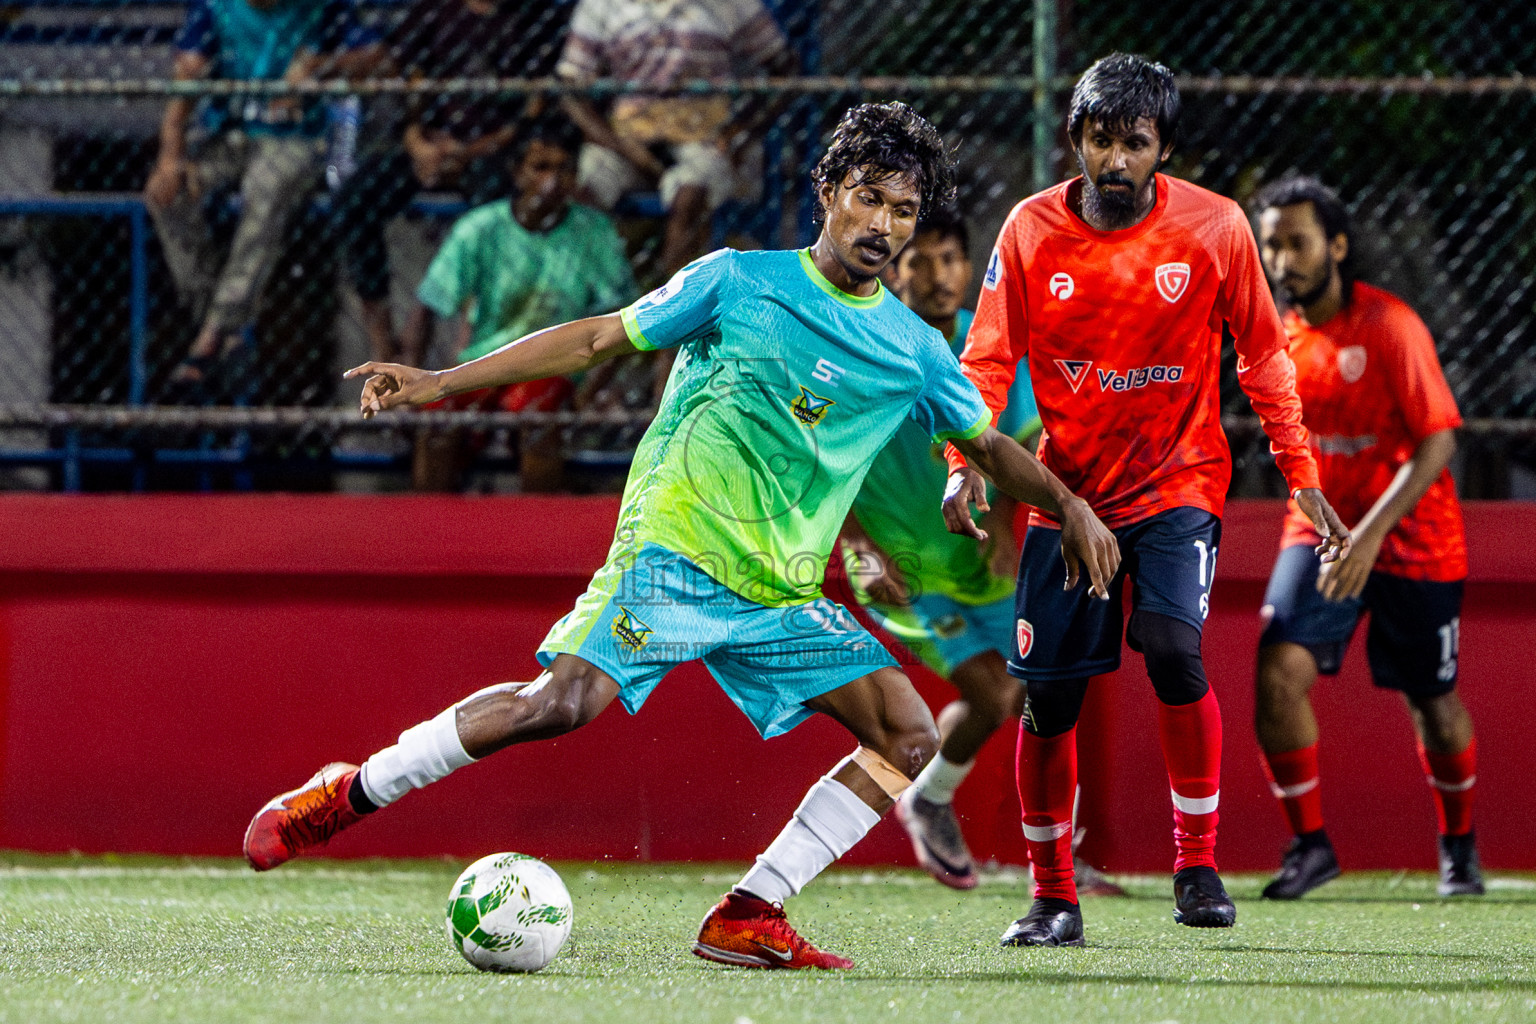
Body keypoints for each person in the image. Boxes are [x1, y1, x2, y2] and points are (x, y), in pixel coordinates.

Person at [241, 102, 1121, 971]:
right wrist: (442, 381)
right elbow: (594, 339)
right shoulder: (736, 280)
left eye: (902, 210)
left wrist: (1070, 506)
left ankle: (750, 911)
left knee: (907, 733)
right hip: (676, 552)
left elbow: (989, 444)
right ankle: (344, 794)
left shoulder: (913, 349)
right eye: (868, 198)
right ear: (827, 192)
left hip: (781, 590)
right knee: (558, 706)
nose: (883, 225)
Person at [942, 53, 1352, 947]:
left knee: (1171, 645)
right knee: (1048, 701)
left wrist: (1301, 472)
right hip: (1067, 495)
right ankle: (1053, 898)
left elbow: (1264, 357)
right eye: (1101, 140)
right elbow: (984, 359)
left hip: (1178, 483)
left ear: (1162, 147)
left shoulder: (1216, 227)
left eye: (1135, 143)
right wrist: (961, 462)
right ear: (1076, 141)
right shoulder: (1029, 229)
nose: (1116, 160)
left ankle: (1196, 866)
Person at [839, 206, 1121, 895]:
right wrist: (859, 546)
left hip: (980, 559)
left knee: (1042, 690)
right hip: (904, 565)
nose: (937, 275)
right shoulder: (863, 349)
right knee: (994, 694)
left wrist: (1005, 526)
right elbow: (822, 459)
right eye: (920, 260)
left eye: (949, 260)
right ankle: (929, 801)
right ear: (894, 267)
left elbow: (1017, 445)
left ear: (969, 269)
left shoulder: (987, 345)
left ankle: (1050, 857)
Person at [1250, 176, 1483, 900]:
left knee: (1432, 703)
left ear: (1338, 247)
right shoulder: (1272, 336)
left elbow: (1439, 442)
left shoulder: (1390, 326)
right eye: (1272, 245)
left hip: (1413, 538)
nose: (1284, 260)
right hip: (1320, 533)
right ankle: (1311, 847)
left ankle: (1459, 851)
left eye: (1298, 243)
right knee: (1276, 672)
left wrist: (1373, 536)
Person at [146, 0, 377, 401]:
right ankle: (223, 328)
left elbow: (376, 58)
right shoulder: (217, 7)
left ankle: (208, 341)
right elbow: (185, 77)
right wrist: (171, 156)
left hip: (296, 137)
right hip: (230, 134)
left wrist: (320, 66)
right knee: (169, 194)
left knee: (264, 189)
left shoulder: (319, 8)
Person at [332, 0, 569, 365]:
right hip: (431, 147)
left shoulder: (533, 18)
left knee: (493, 212)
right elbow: (408, 83)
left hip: (498, 152)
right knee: (355, 199)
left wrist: (470, 152)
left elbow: (532, 111)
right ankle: (382, 340)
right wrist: (417, 142)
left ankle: (472, 340)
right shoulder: (435, 12)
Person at [406, 117, 635, 492]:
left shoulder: (594, 233)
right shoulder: (480, 228)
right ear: (518, 173)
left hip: (554, 366)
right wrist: (414, 381)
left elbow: (625, 323)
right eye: (541, 167)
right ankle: (429, 534)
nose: (552, 180)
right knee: (437, 421)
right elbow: (427, 308)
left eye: (563, 169)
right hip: (483, 363)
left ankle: (536, 535)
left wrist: (587, 393)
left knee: (538, 417)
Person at [555, 0, 798, 284]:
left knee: (691, 194)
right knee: (586, 188)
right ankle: (585, 294)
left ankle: (673, 307)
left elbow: (786, 67)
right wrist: (621, 147)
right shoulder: (602, 5)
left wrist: (740, 133)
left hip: (704, 134)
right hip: (628, 136)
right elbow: (570, 86)